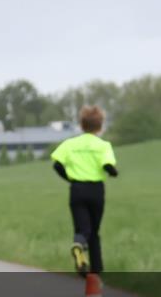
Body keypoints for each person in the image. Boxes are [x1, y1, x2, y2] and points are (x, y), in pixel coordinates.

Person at [50, 105, 118, 276]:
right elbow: (108, 165)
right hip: (96, 191)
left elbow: (57, 164)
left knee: (81, 229)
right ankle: (96, 273)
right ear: (100, 126)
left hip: (77, 190)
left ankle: (79, 247)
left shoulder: (70, 144)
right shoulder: (103, 145)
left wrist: (69, 178)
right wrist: (113, 172)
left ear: (81, 125)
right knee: (94, 232)